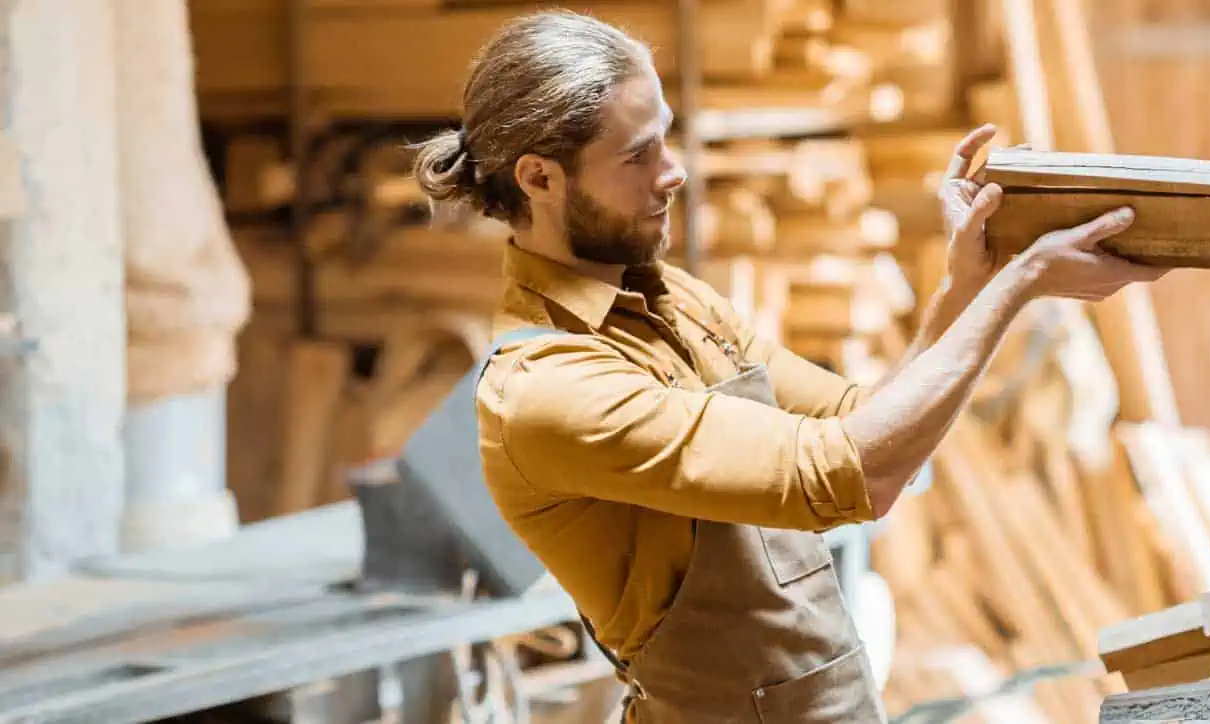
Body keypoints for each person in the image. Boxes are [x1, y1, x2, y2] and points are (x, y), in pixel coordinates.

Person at [410, 9, 1165, 723]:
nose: (674, 172)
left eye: (666, 138)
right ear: (539, 178)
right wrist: (1017, 288)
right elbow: (859, 477)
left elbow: (860, 419)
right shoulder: (552, 389)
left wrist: (969, 281)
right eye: (638, 155)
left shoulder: (675, 301)